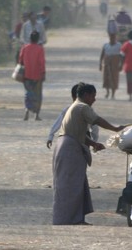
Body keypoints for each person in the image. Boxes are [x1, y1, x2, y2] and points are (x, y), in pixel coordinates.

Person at [52, 83, 125, 225]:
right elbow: (97, 120)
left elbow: (78, 133)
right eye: (93, 96)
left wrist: (93, 144)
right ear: (86, 95)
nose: (94, 99)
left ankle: (77, 218)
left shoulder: (75, 107)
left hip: (69, 146)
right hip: (70, 149)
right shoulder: (82, 107)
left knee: (77, 183)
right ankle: (67, 219)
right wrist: (115, 128)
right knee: (69, 185)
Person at [47, 82, 99, 149]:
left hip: (79, 138)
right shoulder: (69, 110)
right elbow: (95, 128)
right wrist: (50, 137)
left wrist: (94, 142)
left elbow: (94, 127)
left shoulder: (86, 110)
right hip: (73, 137)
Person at [19, 30, 46, 121]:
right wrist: (43, 73)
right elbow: (41, 62)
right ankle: (36, 115)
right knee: (38, 95)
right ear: (38, 39)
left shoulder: (24, 48)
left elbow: (20, 60)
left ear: (30, 38)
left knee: (28, 93)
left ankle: (27, 110)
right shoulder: (40, 49)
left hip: (26, 75)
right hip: (37, 76)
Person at [99, 32, 123, 99]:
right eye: (111, 37)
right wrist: (100, 64)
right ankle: (107, 92)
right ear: (109, 37)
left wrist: (121, 65)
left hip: (115, 65)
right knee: (106, 78)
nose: (112, 38)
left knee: (114, 78)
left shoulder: (119, 45)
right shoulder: (106, 45)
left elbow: (121, 56)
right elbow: (102, 55)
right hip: (106, 64)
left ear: (115, 38)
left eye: (113, 37)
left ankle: (113, 94)